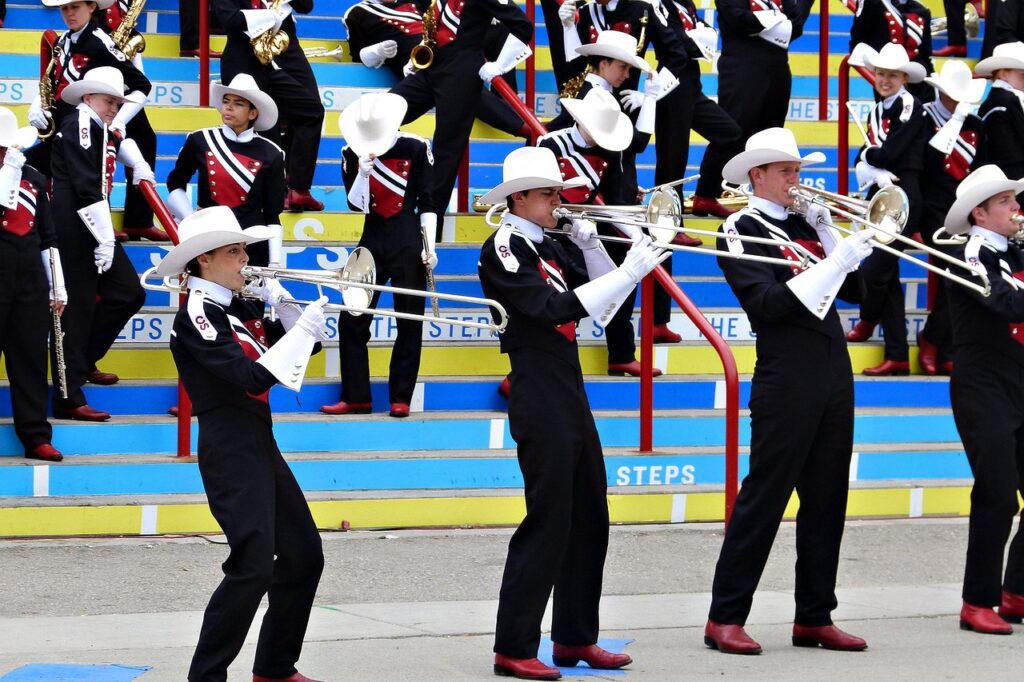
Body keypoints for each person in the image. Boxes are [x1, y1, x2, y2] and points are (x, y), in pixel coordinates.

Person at [478, 146, 665, 680]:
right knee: (549, 519)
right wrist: (624, 267)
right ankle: (512, 645)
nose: (559, 202)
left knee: (589, 516)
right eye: (548, 194)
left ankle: (574, 638)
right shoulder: (505, 246)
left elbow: (605, 308)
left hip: (568, 383)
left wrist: (605, 256)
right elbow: (546, 309)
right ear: (518, 199)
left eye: (558, 193)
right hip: (535, 383)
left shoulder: (553, 244)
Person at [704, 127, 874, 655]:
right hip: (786, 372)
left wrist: (831, 238)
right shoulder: (740, 226)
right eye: (786, 172)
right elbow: (768, 305)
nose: (796, 181)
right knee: (765, 497)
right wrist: (834, 263)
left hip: (831, 368)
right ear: (757, 175)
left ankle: (814, 615)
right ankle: (724, 617)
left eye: (797, 171)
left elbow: (862, 294)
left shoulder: (806, 221)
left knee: (828, 499)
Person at [159, 205, 327, 681]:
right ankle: (206, 676)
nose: (245, 260)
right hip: (229, 445)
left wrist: (285, 302)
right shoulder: (196, 314)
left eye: (244, 250)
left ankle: (274, 667)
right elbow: (250, 378)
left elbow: (306, 345)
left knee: (303, 555)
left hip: (259, 440)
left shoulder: (240, 305)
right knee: (252, 565)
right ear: (203, 260)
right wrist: (301, 330)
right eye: (234, 251)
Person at [942, 164, 1024, 635]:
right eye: (1006, 203)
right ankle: (978, 601)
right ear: (980, 213)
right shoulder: (967, 252)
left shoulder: (1014, 249)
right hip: (983, 383)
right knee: (997, 492)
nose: (1017, 209)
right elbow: (1008, 304)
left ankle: (1016, 591)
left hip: (1019, 375)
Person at [320, 93, 436, 418]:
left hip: (408, 241)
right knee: (352, 318)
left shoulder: (416, 146)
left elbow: (427, 202)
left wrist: (430, 247)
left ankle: (401, 397)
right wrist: (362, 173)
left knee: (409, 320)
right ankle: (357, 396)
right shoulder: (350, 151)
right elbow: (355, 204)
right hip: (370, 239)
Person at [539, 85, 662, 377]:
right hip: (548, 230)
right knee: (565, 296)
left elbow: (614, 201)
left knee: (618, 276)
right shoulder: (551, 144)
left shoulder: (612, 150)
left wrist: (638, 236)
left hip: (586, 229)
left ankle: (621, 355)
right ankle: (532, 371)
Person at [49, 66, 149, 421]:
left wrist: (137, 162)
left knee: (128, 292)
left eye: (118, 102)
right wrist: (106, 238)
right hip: (74, 226)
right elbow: (86, 185)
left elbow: (119, 141)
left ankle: (84, 359)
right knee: (75, 309)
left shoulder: (96, 125)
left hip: (91, 223)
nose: (114, 108)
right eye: (109, 101)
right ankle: (68, 396)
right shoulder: (79, 124)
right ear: (89, 98)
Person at [29, 0, 163, 241]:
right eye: (64, 8)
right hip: (65, 127)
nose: (69, 14)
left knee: (93, 172)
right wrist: (37, 103)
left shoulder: (100, 43)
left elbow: (142, 85)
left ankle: (116, 224)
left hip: (89, 127)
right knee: (28, 167)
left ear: (91, 7)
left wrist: (118, 121)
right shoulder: (64, 40)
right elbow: (54, 78)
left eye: (75, 7)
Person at [389, 0, 533, 214]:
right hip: (431, 67)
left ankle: (429, 226)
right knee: (384, 112)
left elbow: (523, 25)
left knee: (445, 151)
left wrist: (500, 65)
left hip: (461, 73)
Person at [845, 43, 928, 376]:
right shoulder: (875, 110)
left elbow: (888, 153)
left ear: (904, 77)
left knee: (873, 271)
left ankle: (867, 317)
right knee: (888, 278)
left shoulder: (913, 107)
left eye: (892, 75)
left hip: (904, 199)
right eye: (880, 73)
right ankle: (897, 354)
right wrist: (869, 161)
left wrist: (869, 160)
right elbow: (866, 155)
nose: (884, 80)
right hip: (881, 198)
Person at [342, 0, 530, 139]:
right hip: (416, 66)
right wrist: (377, 51)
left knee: (501, 27)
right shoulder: (357, 12)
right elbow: (357, 56)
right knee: (461, 84)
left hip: (443, 53)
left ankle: (508, 100)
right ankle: (523, 126)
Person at [0, 106, 67, 462]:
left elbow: (47, 235)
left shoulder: (35, 178)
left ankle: (36, 435)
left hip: (29, 279)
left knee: (29, 359)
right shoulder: (9, 176)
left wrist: (58, 286)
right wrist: (6, 173)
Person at [214, 0, 325, 212]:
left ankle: (299, 189)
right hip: (244, 55)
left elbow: (305, 5)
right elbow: (231, 20)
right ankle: (277, 190)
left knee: (311, 111)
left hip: (286, 50)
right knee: (265, 123)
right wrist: (270, 15)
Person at [165, 73, 286, 268]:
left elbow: (273, 214)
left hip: (252, 242)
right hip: (210, 239)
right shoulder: (200, 140)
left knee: (250, 298)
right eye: (226, 101)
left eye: (238, 104)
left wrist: (274, 264)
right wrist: (192, 223)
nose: (229, 107)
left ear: (253, 114)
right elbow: (175, 184)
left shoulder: (272, 153)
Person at [917, 59, 987, 375]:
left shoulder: (976, 125)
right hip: (934, 211)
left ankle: (943, 344)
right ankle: (933, 340)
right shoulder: (924, 118)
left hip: (968, 211)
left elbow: (981, 167)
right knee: (955, 270)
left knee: (969, 274)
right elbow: (925, 165)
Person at [714, 0, 813, 151]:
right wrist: (778, 19)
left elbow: (796, 24)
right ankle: (714, 176)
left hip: (778, 70)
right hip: (742, 70)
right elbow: (739, 19)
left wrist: (766, 22)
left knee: (772, 139)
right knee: (735, 138)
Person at [848, 0, 935, 99]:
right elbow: (857, 41)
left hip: (918, 83)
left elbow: (925, 53)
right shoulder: (873, 3)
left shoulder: (922, 10)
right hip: (887, 78)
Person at [976, 42, 1024, 187]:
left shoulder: (994, 100)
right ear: (1003, 74)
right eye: (1023, 75)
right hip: (1013, 177)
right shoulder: (1008, 100)